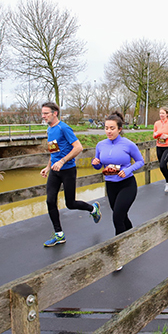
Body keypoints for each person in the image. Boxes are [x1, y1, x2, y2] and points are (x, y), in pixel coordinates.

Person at [40, 102, 101, 247]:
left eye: (46, 113)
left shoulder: (64, 128)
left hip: (67, 170)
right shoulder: (49, 130)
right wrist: (48, 167)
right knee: (50, 201)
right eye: (42, 113)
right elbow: (54, 151)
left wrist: (62, 161)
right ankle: (59, 234)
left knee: (70, 204)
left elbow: (78, 147)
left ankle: (93, 209)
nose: (43, 116)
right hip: (55, 171)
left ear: (55, 113)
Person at [92, 112, 144, 243]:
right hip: (110, 185)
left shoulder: (128, 144)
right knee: (122, 216)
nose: (108, 131)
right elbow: (99, 166)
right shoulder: (100, 145)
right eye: (106, 128)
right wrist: (95, 163)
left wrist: (127, 170)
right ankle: (132, 237)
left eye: (112, 128)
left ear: (119, 129)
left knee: (117, 217)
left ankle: (119, 252)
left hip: (127, 185)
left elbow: (140, 161)